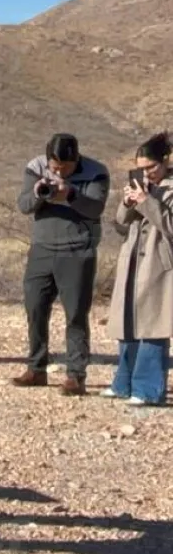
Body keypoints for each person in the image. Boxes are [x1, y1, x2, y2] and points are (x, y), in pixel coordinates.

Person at [13, 133, 110, 395]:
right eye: (54, 166)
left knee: (76, 314)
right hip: (42, 249)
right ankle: (36, 369)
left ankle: (75, 375)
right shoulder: (36, 167)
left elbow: (95, 209)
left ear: (76, 159)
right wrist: (38, 194)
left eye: (64, 168)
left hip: (77, 250)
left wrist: (71, 195)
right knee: (35, 309)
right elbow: (24, 205)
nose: (58, 171)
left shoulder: (96, 172)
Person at [104, 131, 173, 406]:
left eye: (151, 167)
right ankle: (123, 383)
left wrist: (148, 202)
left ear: (165, 161)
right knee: (127, 325)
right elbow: (120, 223)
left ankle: (147, 389)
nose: (147, 173)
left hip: (159, 266)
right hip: (132, 263)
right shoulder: (142, 186)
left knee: (154, 326)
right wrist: (128, 202)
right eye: (142, 168)